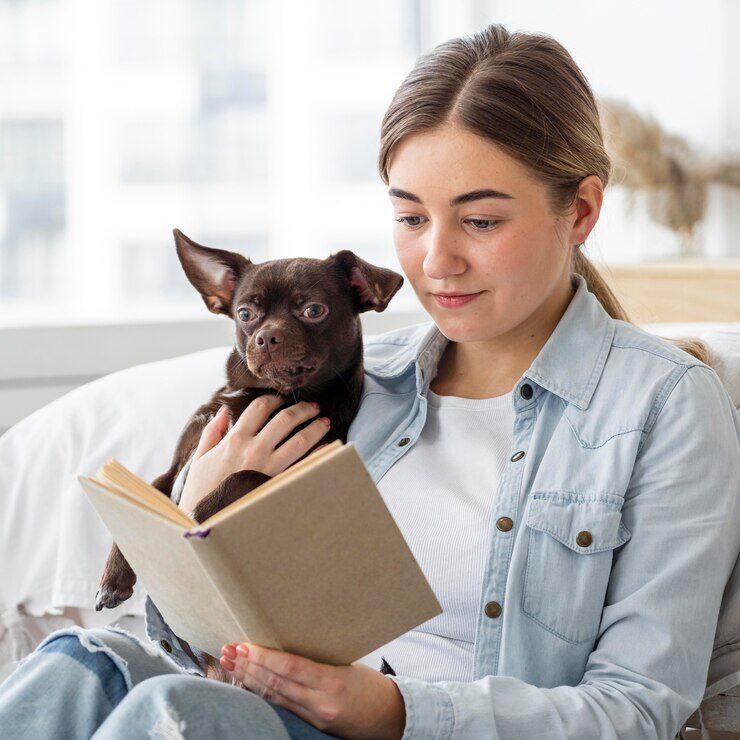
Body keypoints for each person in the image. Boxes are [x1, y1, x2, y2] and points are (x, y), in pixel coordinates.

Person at [1, 22, 739, 740]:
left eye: (479, 221)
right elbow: (187, 649)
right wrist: (195, 515)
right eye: (412, 218)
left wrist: (391, 712)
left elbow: (638, 709)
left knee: (178, 719)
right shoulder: (348, 383)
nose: (437, 260)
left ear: (579, 210)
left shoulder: (662, 405)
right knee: (82, 662)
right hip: (249, 712)